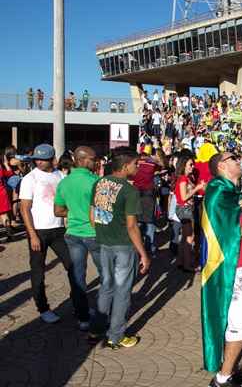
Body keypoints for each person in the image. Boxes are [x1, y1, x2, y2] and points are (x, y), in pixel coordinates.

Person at [201, 151, 242, 387]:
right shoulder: (217, 191)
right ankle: (222, 378)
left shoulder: (233, 193)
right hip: (231, 268)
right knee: (241, 326)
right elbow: (215, 231)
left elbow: (239, 224)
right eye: (233, 158)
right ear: (222, 167)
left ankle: (231, 370)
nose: (239, 161)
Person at [89, 147, 151, 349]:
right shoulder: (129, 190)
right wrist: (143, 253)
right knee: (122, 292)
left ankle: (96, 329)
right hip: (123, 246)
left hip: (103, 243)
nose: (138, 167)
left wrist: (103, 232)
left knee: (106, 287)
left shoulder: (99, 183)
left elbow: (93, 216)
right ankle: (115, 336)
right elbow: (132, 226)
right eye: (136, 164)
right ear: (125, 166)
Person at [19, 144, 80, 324]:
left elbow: (67, 202)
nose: (39, 162)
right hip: (38, 231)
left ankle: (78, 302)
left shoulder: (60, 176)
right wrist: (33, 235)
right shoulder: (30, 179)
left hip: (59, 230)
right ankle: (43, 308)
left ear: (52, 159)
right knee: (38, 272)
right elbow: (24, 209)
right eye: (36, 159)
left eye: (43, 159)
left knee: (73, 266)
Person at [53, 146, 102, 331]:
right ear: (83, 160)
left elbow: (58, 211)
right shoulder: (96, 181)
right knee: (105, 274)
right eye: (93, 158)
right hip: (94, 234)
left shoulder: (64, 183)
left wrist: (74, 212)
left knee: (77, 277)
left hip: (73, 234)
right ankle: (104, 313)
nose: (96, 162)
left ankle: (83, 318)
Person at [174, 155, 205, 272]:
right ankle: (187, 265)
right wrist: (197, 188)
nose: (193, 167)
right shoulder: (183, 179)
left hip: (185, 209)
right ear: (183, 166)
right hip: (184, 209)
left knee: (185, 238)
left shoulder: (186, 178)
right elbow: (183, 197)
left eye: (193, 164)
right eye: (190, 165)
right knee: (189, 237)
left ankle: (181, 261)